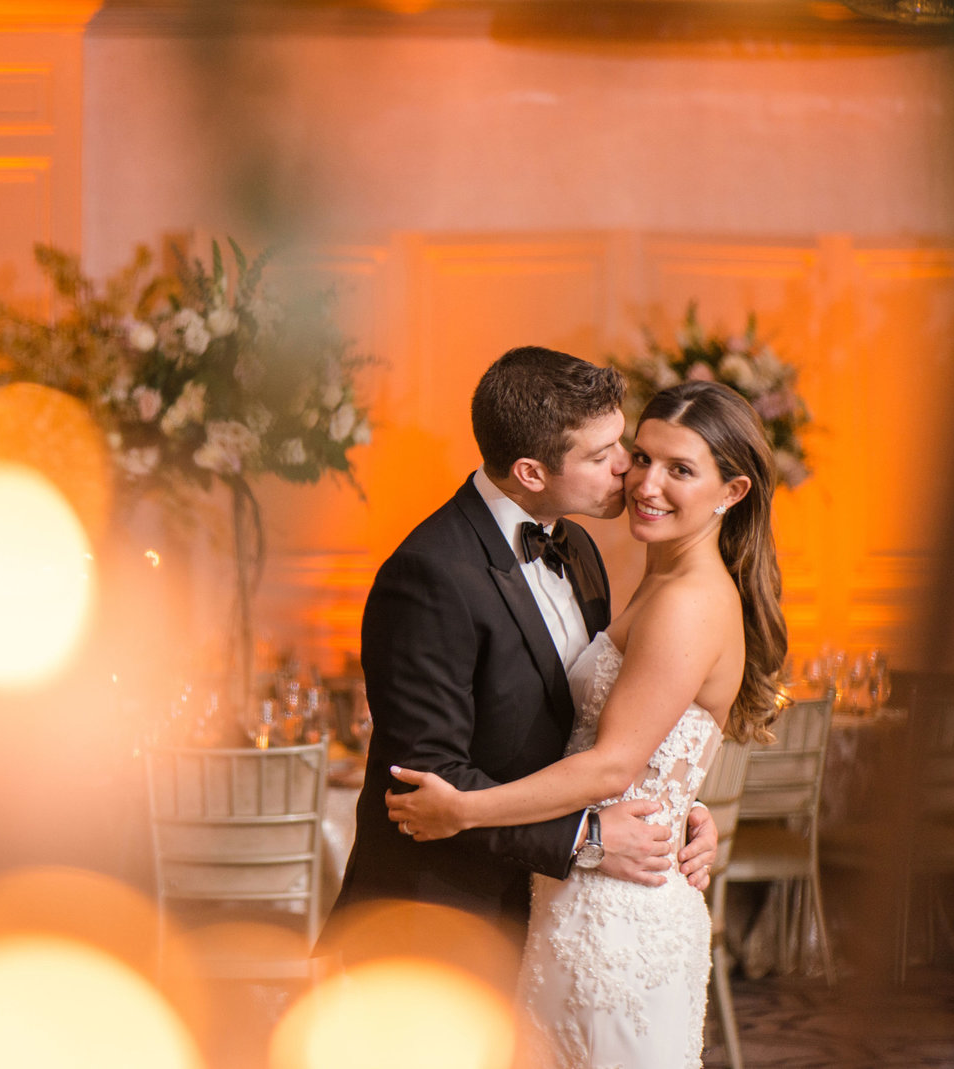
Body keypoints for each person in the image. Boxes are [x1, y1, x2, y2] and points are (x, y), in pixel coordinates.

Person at [386, 379, 787, 1069]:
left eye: (681, 469)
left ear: (733, 490)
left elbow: (612, 764)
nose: (644, 482)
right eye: (640, 455)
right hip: (573, 896)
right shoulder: (620, 565)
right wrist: (689, 807)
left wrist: (464, 810)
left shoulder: (688, 600)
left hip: (620, 921)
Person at [317, 347, 720, 982]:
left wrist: (671, 806)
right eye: (602, 455)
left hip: (544, 913)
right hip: (438, 920)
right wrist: (586, 840)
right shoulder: (429, 574)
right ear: (531, 472)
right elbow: (425, 789)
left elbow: (589, 726)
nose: (629, 471)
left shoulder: (578, 547)